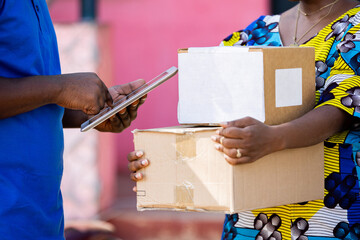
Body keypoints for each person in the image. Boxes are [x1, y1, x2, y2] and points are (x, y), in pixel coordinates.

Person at [128, 0, 360, 239]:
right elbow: (210, 121)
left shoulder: (356, 29)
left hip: (329, 219)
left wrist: (273, 138)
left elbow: (339, 109)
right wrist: (161, 164)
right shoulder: (253, 34)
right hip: (250, 222)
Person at [0, 0, 145, 239]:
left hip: (41, 218)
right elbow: (49, 91)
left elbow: (29, 102)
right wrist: (60, 88)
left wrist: (90, 114)